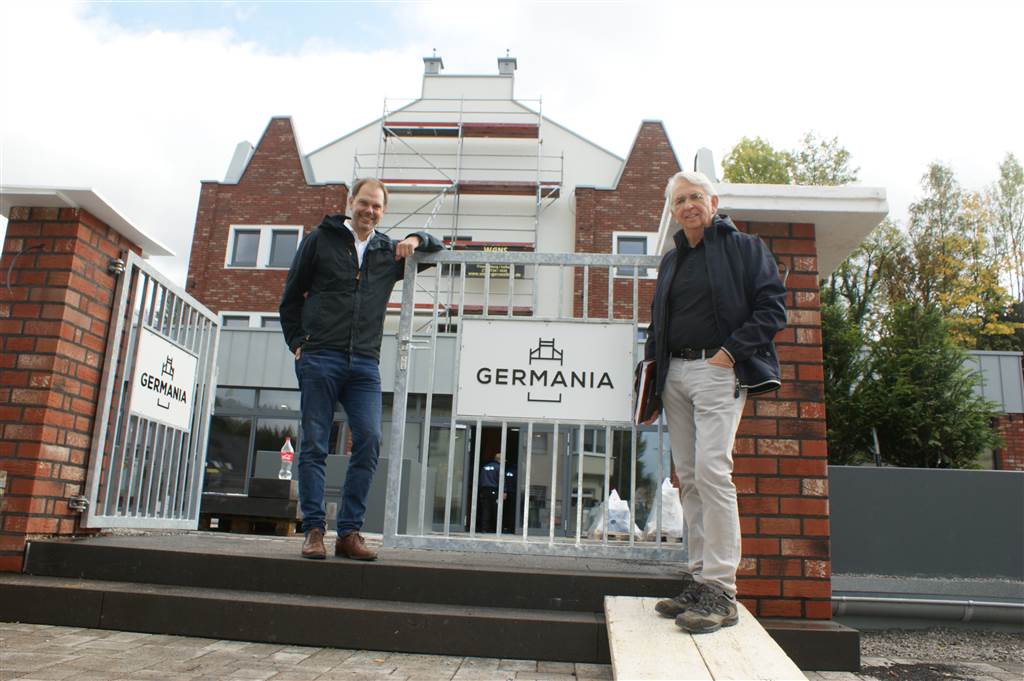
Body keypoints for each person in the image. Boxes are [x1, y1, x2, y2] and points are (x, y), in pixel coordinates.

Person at [644, 170, 786, 633]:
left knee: (712, 471)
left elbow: (772, 308)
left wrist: (730, 353)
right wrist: (653, 376)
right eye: (680, 200)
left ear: (712, 201)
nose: (688, 205)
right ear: (673, 210)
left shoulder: (743, 248)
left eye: (695, 197)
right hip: (676, 375)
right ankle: (700, 578)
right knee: (688, 478)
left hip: (718, 370)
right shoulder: (671, 261)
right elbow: (658, 323)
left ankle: (722, 591)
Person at [279, 177, 441, 561]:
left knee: (368, 441)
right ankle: (314, 530)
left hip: (365, 363)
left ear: (383, 211)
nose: (370, 211)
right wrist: (298, 344)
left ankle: (349, 533)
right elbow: (290, 297)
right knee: (316, 444)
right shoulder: (321, 239)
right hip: (320, 357)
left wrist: (416, 239)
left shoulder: (388, 251)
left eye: (378, 206)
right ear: (351, 202)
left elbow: (438, 247)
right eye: (364, 203)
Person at [477, 453, 506, 533]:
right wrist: (504, 491)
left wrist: (480, 490)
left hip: (484, 490)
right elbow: (502, 481)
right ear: (500, 460)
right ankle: (498, 529)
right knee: (496, 510)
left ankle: (484, 529)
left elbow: (480, 479)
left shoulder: (485, 467)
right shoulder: (499, 468)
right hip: (494, 491)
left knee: (486, 510)